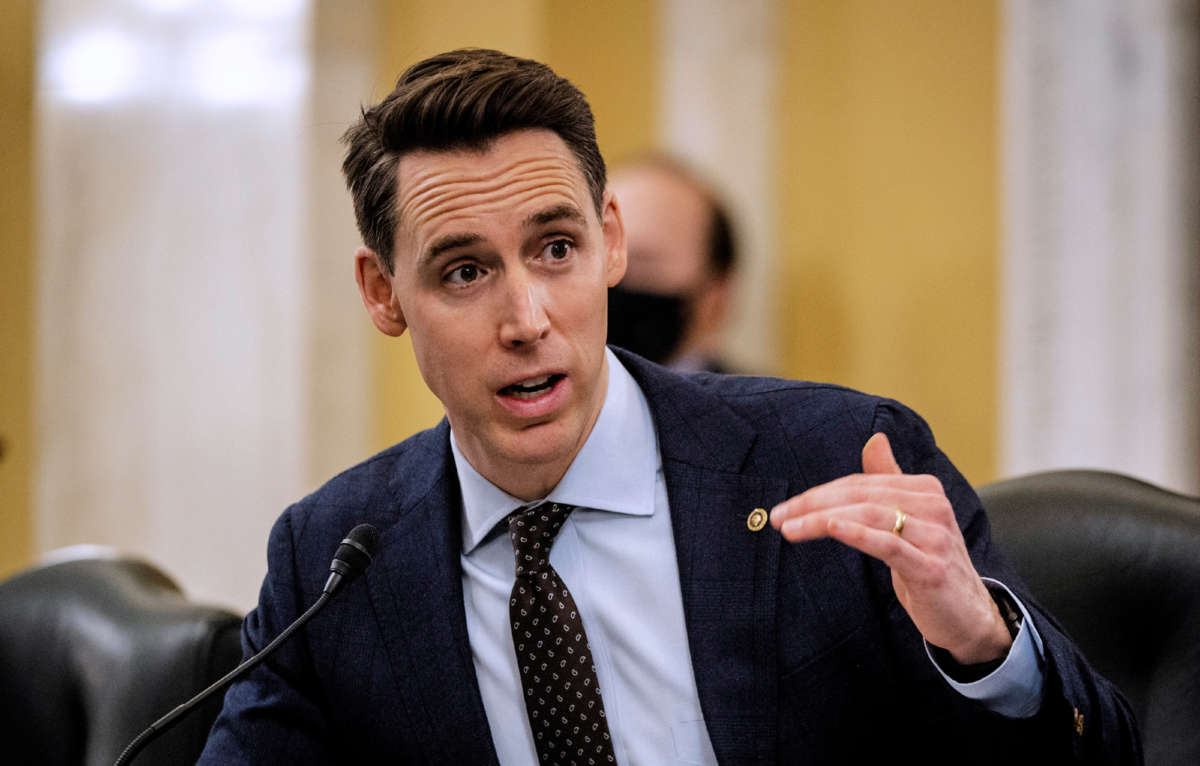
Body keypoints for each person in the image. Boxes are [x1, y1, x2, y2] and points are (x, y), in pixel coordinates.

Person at [199, 48, 1139, 764]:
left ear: (609, 242)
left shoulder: (838, 458)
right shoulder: (331, 563)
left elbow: (1103, 750)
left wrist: (983, 646)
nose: (526, 319)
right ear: (382, 294)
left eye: (555, 249)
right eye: (464, 271)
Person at [605, 157, 738, 373]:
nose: (610, 279)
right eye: (599, 257)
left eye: (642, 266)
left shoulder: (769, 405)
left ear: (717, 299)